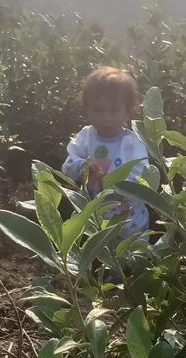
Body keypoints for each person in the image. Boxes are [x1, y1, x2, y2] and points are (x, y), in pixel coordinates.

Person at [62, 67, 150, 240]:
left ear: (128, 111)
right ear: (87, 109)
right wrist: (84, 167)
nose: (106, 118)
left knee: (134, 256)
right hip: (95, 219)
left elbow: (143, 176)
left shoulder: (132, 143)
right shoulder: (86, 137)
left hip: (129, 221)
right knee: (98, 254)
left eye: (114, 111)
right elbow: (68, 165)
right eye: (98, 110)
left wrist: (113, 182)